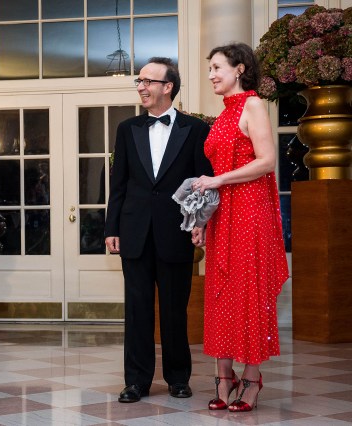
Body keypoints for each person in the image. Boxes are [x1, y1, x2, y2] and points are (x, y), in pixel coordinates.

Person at [105, 57, 213, 403]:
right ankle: (136, 381)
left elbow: (202, 185)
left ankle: (178, 378)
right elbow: (117, 184)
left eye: (148, 81)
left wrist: (199, 226)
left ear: (168, 87)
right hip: (133, 231)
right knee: (136, 310)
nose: (141, 86)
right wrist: (112, 227)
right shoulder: (127, 129)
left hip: (176, 232)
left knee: (174, 310)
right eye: (139, 81)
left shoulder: (195, 130)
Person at [191, 43, 289, 412]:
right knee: (220, 292)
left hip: (250, 212)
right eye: (211, 69)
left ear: (241, 69)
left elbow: (266, 162)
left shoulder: (253, 106)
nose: (213, 74)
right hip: (223, 214)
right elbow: (215, 178)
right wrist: (201, 220)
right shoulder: (221, 116)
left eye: (218, 67)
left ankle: (251, 378)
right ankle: (223, 376)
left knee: (247, 294)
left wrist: (218, 181)